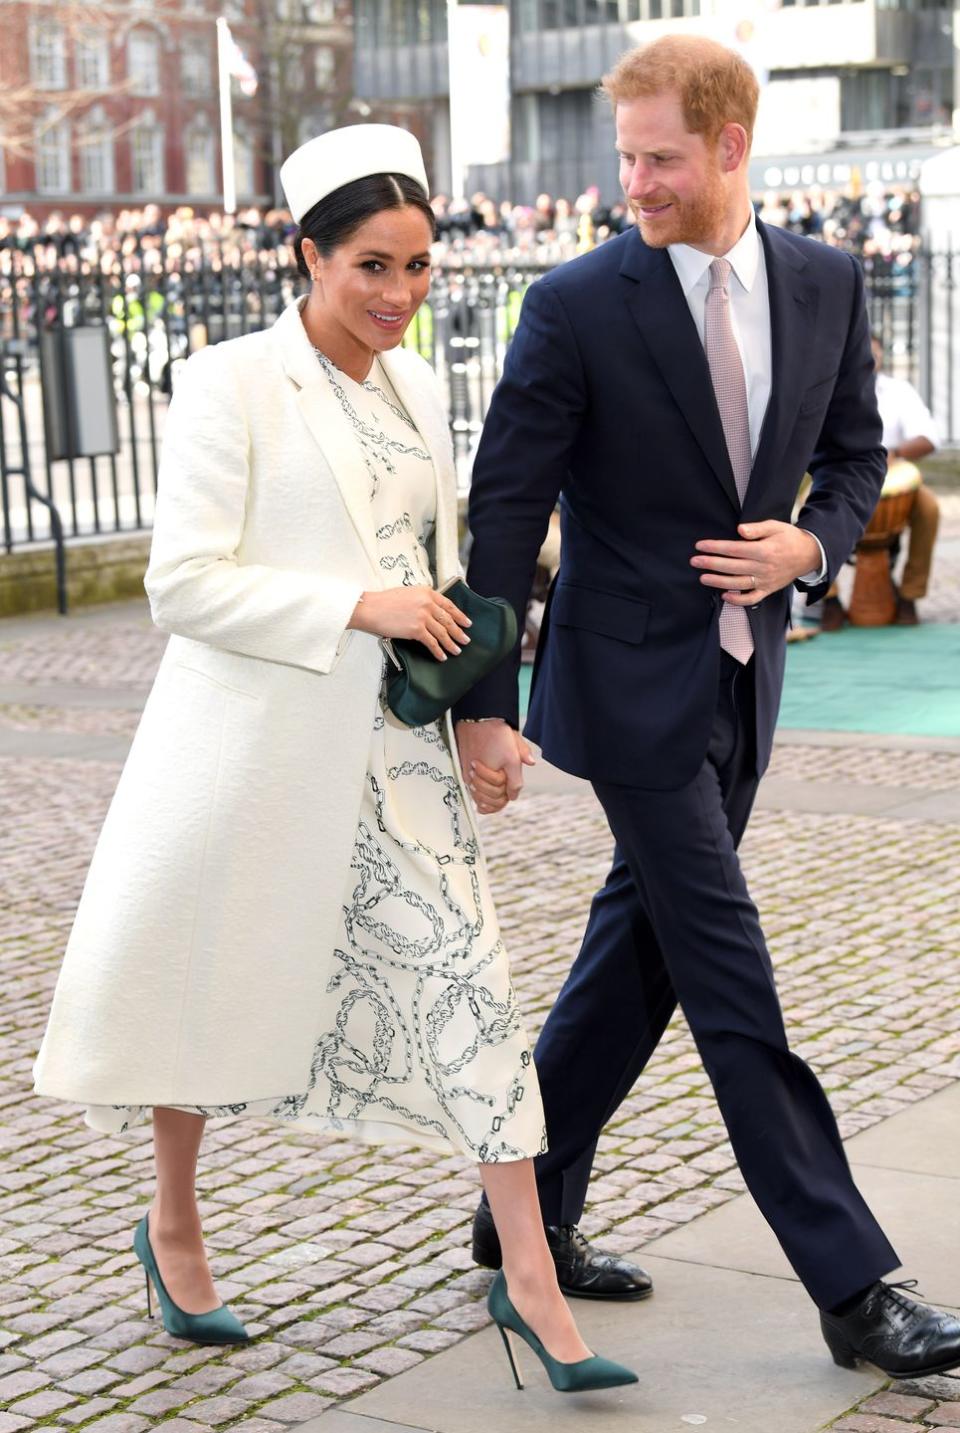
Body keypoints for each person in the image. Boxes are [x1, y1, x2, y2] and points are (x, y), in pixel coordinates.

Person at [32, 124, 635, 1395]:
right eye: (372, 265)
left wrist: (481, 713)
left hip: (399, 756)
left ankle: (529, 1278)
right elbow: (181, 584)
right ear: (304, 254)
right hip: (253, 751)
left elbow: (442, 583)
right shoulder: (229, 382)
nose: (401, 296)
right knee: (201, 996)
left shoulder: (418, 392)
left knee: (473, 994)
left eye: (418, 266)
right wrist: (359, 605)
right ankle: (177, 1224)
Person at [455, 36, 960, 1380]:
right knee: (731, 969)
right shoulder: (574, 304)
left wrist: (810, 546)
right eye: (625, 155)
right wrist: (482, 703)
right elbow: (505, 504)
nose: (634, 181)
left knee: (643, 953)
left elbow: (852, 457)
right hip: (622, 688)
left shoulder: (826, 282)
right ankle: (855, 1287)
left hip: (749, 672)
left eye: (659, 156)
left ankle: (525, 1211)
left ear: (732, 147)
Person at [821, 333, 940, 630]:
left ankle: (910, 595)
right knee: (803, 510)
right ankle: (828, 599)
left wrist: (895, 453)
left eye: (873, 352)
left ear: (881, 357)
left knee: (929, 509)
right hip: (837, 478)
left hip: (893, 479)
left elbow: (929, 438)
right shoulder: (827, 387)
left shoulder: (899, 391)